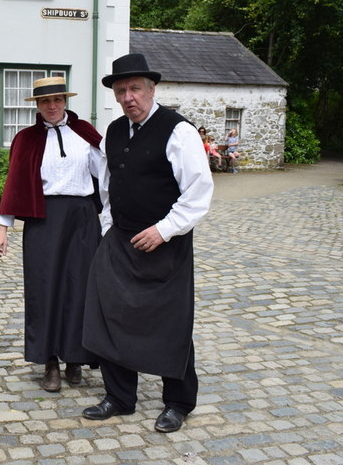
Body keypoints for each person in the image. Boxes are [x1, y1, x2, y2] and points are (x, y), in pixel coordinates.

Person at [82, 53, 213, 433]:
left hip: (165, 243)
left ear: (151, 89)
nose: (128, 97)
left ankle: (178, 401)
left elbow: (199, 191)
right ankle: (120, 397)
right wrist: (109, 225)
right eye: (121, 90)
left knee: (170, 323)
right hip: (120, 240)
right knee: (109, 313)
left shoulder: (178, 131)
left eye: (135, 89)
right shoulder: (114, 131)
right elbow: (108, 187)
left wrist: (164, 229)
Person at [0, 76, 102, 392]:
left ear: (65, 101)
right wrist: (2, 231)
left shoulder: (86, 135)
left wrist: (111, 220)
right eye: (44, 101)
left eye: (57, 100)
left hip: (83, 218)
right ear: (37, 106)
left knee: (80, 289)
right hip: (44, 220)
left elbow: (106, 178)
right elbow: (13, 185)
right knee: (45, 289)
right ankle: (50, 361)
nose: (52, 106)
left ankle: (75, 358)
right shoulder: (26, 139)